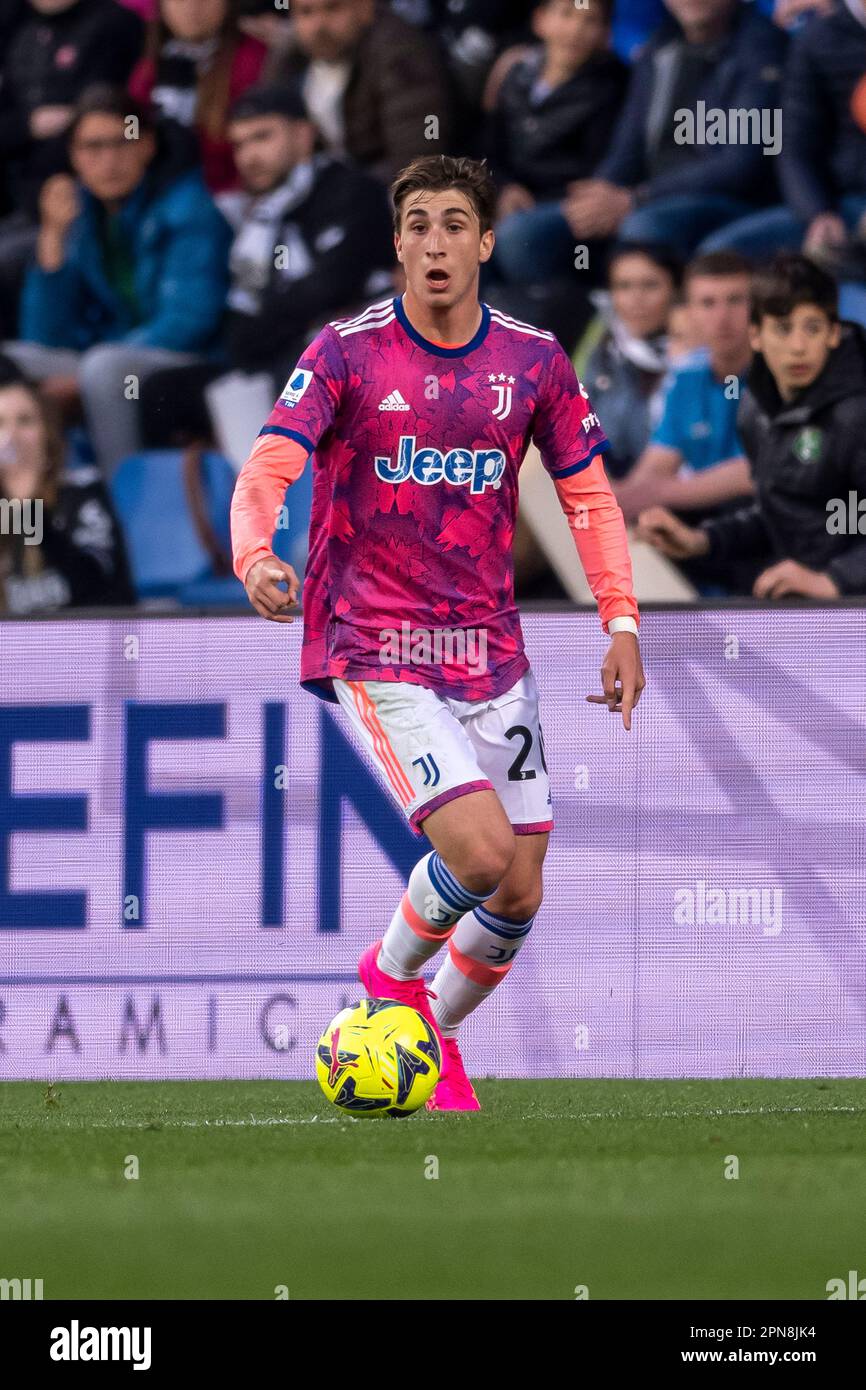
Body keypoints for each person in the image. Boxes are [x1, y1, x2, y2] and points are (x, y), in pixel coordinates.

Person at [230, 153, 645, 1111]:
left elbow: (587, 497)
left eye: (455, 223)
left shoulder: (534, 360)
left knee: (521, 890)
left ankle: (437, 1039)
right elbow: (268, 469)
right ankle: (390, 986)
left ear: (487, 242)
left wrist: (619, 620)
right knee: (481, 855)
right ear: (397, 244)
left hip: (487, 647)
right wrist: (258, 555)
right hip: (376, 641)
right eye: (417, 224)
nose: (435, 242)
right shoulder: (345, 351)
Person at [139, 82, 396, 446]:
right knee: (161, 394)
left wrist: (278, 317)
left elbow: (334, 285)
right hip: (271, 357)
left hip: (356, 352)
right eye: (240, 144)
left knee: (301, 370)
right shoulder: (254, 218)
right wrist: (285, 315)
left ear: (304, 136)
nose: (248, 156)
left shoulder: (353, 191)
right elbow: (241, 329)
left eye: (262, 137)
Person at [3, 86, 232, 475]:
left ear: (146, 145)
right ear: (74, 157)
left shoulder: (188, 206)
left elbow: (189, 320)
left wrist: (89, 369)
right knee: (12, 360)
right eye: (93, 148)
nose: (108, 160)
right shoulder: (81, 212)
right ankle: (30, 499)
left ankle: (121, 502)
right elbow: (43, 337)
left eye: (122, 143)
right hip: (106, 355)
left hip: (190, 357)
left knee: (106, 370)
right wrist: (53, 239)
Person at [637, 253, 866, 598]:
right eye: (783, 329)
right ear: (756, 336)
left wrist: (834, 581)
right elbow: (778, 514)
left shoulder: (857, 414)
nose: (798, 347)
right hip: (806, 602)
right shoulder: (755, 411)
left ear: (834, 334)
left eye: (813, 328)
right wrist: (701, 540)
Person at [561, 0, 787, 258]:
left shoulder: (763, 48)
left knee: (644, 227)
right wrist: (601, 192)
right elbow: (628, 144)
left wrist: (635, 198)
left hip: (730, 200)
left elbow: (740, 165)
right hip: (647, 197)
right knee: (527, 233)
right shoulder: (659, 45)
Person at [0, 0, 144, 332]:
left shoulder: (114, 24)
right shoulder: (21, 31)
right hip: (25, 199)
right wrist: (29, 126)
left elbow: (101, 120)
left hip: (84, 195)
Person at [488, 0, 628, 285]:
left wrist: (532, 201)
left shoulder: (614, 85)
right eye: (567, 14)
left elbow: (595, 169)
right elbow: (489, 147)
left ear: (605, 33)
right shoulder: (516, 75)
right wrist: (503, 188)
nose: (576, 29)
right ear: (540, 20)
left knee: (517, 235)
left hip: (567, 206)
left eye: (590, 21)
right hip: (514, 199)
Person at [613, 251, 755, 523]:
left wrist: (659, 493)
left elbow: (756, 473)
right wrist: (616, 499)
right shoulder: (687, 375)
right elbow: (656, 465)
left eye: (735, 301)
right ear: (689, 312)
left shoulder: (782, 373)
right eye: (707, 303)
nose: (722, 317)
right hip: (703, 525)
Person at [265, 0, 454, 182]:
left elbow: (417, 156)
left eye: (332, 7)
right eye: (306, 11)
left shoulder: (401, 54)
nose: (319, 25)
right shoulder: (289, 61)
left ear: (365, 8)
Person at [0, 376, 134, 612]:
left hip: (86, 642)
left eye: (25, 421)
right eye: (0, 423)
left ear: (48, 433)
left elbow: (96, 586)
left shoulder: (83, 491)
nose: (12, 436)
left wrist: (29, 509)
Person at [128, 0, 267, 194]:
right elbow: (131, 114)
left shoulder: (253, 60)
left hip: (230, 193)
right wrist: (131, 139)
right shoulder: (151, 64)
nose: (192, 7)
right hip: (163, 191)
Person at [572, 242, 680, 478]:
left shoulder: (698, 355)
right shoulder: (604, 341)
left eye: (650, 285)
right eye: (624, 286)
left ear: (676, 291)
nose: (636, 299)